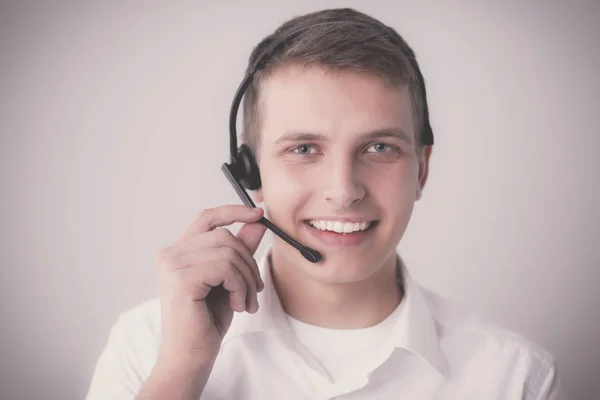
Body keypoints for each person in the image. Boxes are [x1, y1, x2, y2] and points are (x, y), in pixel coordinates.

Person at [85, 8, 564, 400]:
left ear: (421, 169)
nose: (343, 189)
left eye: (379, 148)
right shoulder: (148, 345)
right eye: (304, 149)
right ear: (249, 174)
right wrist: (182, 371)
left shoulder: (516, 376)